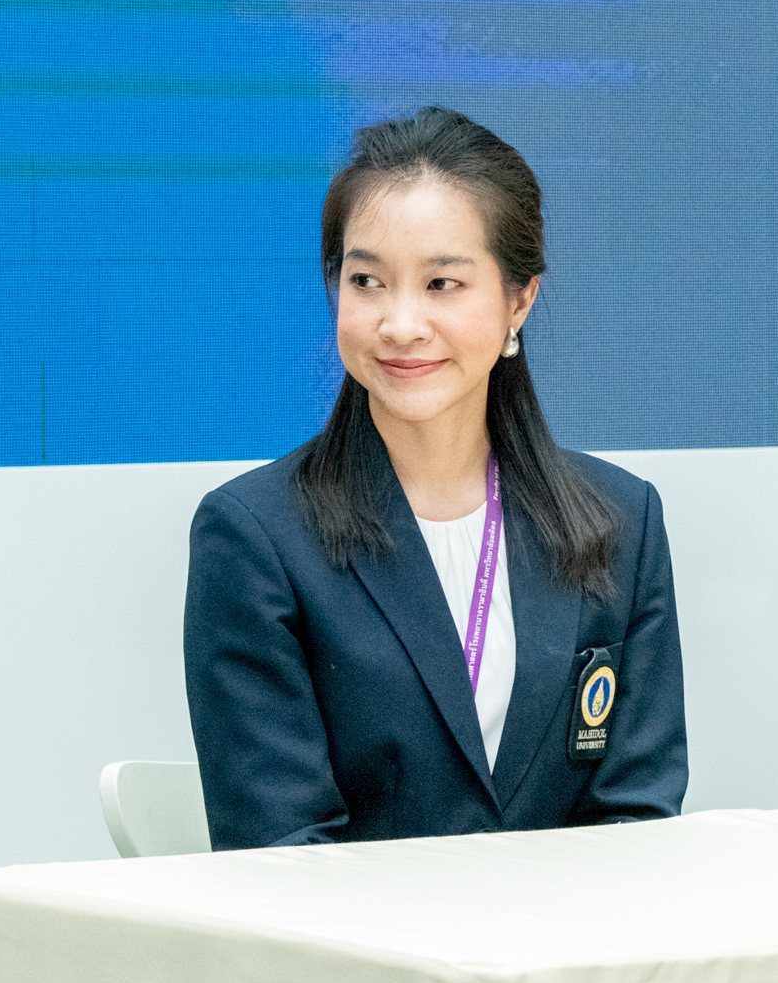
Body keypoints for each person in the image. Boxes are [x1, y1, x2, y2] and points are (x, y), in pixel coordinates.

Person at [185, 107, 689, 847]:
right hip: (348, 927)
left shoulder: (622, 520)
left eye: (442, 284)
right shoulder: (256, 536)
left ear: (519, 299)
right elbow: (279, 851)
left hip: (570, 924)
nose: (400, 324)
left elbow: (637, 819)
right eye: (367, 281)